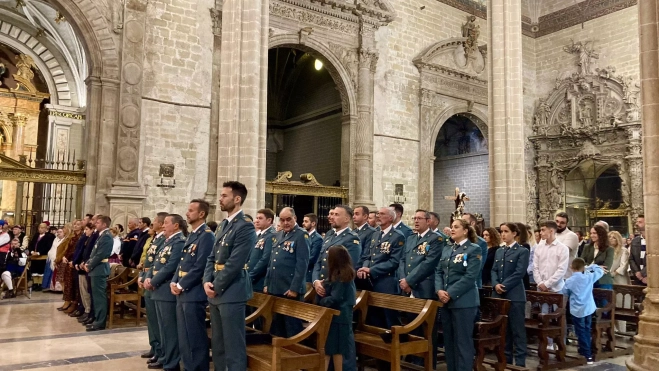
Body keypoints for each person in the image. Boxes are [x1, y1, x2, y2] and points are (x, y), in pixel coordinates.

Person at [203, 181, 256, 371]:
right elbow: (211, 257)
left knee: (233, 343)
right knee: (218, 342)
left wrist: (215, 286)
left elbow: (235, 264)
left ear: (237, 199)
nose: (220, 199)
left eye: (224, 195)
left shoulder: (245, 227)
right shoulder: (222, 225)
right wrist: (206, 281)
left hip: (232, 291)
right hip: (215, 289)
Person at [170, 201, 214, 371]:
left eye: (190, 211)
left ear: (201, 214)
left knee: (194, 335)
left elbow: (200, 266)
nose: (187, 214)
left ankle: (198, 367)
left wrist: (181, 285)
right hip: (183, 291)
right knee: (184, 335)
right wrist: (175, 281)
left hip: (194, 292)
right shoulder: (192, 235)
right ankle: (188, 366)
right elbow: (183, 263)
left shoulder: (207, 235)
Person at [398, 209, 446, 367]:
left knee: (426, 330)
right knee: (412, 328)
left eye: (419, 218)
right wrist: (403, 279)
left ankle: (427, 364)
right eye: (414, 218)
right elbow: (403, 260)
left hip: (424, 287)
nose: (416, 221)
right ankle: (414, 362)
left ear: (428, 221)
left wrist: (409, 281)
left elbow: (429, 263)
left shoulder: (436, 239)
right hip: (408, 287)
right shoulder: (411, 238)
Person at [435, 218, 481, 371]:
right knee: (449, 341)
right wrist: (439, 290)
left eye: (456, 227)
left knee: (462, 342)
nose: (452, 229)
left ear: (466, 230)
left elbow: (470, 277)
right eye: (452, 227)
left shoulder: (473, 249)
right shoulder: (448, 248)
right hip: (446, 301)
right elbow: (439, 271)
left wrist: (450, 293)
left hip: (464, 302)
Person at [144, 214, 186, 371]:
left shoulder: (179, 242)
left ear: (175, 226)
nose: (163, 225)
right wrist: (148, 278)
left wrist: (153, 281)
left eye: (166, 223)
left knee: (169, 329)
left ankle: (171, 362)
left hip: (166, 289)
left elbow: (171, 266)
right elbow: (155, 263)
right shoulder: (167, 241)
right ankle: (164, 357)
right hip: (158, 288)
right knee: (162, 328)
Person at [264, 207, 310, 337]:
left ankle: (294, 355)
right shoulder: (278, 235)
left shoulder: (301, 235)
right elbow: (272, 262)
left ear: (295, 218)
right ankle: (279, 355)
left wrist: (294, 288)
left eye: (288, 219)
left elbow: (302, 264)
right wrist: (267, 283)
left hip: (290, 289)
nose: (285, 223)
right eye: (282, 220)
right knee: (277, 328)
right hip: (276, 287)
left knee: (292, 328)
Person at [357, 207, 405, 328]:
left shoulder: (397, 236)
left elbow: (394, 261)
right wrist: (364, 267)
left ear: (390, 218)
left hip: (386, 281)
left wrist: (372, 270)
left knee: (389, 318)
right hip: (371, 281)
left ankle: (394, 343)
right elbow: (368, 255)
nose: (378, 216)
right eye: (377, 213)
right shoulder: (375, 233)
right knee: (373, 318)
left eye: (381, 214)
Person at [492, 223, 529, 367]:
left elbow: (519, 272)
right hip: (500, 295)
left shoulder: (521, 251)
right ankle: (506, 360)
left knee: (517, 330)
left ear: (514, 233)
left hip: (515, 295)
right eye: (501, 232)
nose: (503, 234)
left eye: (506, 231)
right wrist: (496, 284)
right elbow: (494, 270)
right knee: (504, 330)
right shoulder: (500, 251)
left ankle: (520, 362)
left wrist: (504, 285)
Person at [318, 245, 357, 371]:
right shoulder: (342, 273)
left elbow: (336, 298)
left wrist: (322, 301)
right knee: (334, 349)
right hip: (340, 317)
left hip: (339, 318)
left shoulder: (342, 276)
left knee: (333, 349)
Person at [533, 220, 570, 350]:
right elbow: (535, 266)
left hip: (557, 288)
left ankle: (561, 344)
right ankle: (548, 343)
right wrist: (540, 283)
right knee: (545, 315)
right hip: (542, 288)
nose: (541, 233)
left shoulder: (562, 248)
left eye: (543, 230)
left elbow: (561, 270)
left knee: (558, 317)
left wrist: (548, 283)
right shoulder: (539, 247)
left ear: (551, 231)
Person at [561, 259, 605, 365]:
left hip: (577, 309)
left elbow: (565, 292)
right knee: (587, 329)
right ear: (583, 268)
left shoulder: (569, 280)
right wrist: (592, 266)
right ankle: (585, 350)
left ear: (571, 267)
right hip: (588, 307)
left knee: (580, 331)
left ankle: (587, 354)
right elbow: (600, 271)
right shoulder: (588, 277)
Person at [140, 213, 167, 367]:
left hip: (155, 282)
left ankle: (160, 349)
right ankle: (154, 346)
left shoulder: (164, 239)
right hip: (148, 279)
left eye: (155, 221)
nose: (153, 223)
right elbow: (148, 260)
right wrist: (142, 276)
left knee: (158, 321)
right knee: (151, 318)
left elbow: (159, 263)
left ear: (162, 224)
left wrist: (148, 278)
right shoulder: (156, 238)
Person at [84, 215, 113, 331]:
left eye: (98, 222)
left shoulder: (106, 237)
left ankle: (100, 322)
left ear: (104, 225)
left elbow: (101, 254)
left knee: (99, 297)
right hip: (96, 268)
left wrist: (90, 265)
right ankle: (97, 319)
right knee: (96, 297)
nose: (95, 224)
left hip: (99, 269)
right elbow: (94, 253)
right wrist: (88, 262)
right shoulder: (101, 236)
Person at [248, 208, 276, 293]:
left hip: (259, 279)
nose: (256, 221)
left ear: (269, 220)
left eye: (260, 218)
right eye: (256, 218)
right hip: (252, 278)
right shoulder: (260, 235)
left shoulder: (271, 235)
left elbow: (265, 259)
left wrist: (251, 275)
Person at [608, 230, 630, 332]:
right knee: (611, 306)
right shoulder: (607, 250)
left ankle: (622, 331)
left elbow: (623, 266)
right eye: (610, 237)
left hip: (619, 280)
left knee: (620, 304)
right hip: (609, 280)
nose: (611, 239)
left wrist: (613, 273)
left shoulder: (623, 250)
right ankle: (613, 330)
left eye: (614, 237)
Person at [580, 225, 614, 290]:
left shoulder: (609, 249)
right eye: (591, 233)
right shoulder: (587, 247)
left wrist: (588, 267)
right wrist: (595, 267)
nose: (592, 235)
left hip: (603, 281)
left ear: (601, 234)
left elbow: (606, 268)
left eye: (594, 233)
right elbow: (581, 263)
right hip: (588, 279)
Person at [72, 223, 93, 322]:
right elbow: (80, 250)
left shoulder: (93, 238)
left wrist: (84, 263)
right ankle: (85, 309)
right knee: (82, 290)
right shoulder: (86, 238)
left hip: (86, 267)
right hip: (81, 266)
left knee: (86, 290)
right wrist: (77, 262)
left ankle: (88, 310)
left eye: (87, 229)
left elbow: (89, 253)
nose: (85, 231)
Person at [462, 213, 488, 288]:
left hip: (473, 284)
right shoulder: (457, 241)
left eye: (464, 221)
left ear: (472, 223)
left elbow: (479, 266)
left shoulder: (481, 242)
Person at [28, 223, 56, 288]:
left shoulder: (49, 236)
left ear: (46, 229)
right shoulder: (36, 235)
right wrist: (32, 251)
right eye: (39, 227)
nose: (40, 229)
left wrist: (39, 252)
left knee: (41, 270)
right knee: (34, 270)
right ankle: (35, 283)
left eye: (42, 228)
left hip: (42, 256)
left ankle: (40, 284)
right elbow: (31, 244)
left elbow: (48, 246)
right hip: (34, 256)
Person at [555, 212, 579, 278]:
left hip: (566, 275)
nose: (558, 224)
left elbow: (562, 253)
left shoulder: (571, 235)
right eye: (557, 221)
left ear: (566, 224)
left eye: (562, 223)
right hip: (551, 274)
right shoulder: (552, 234)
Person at [303, 213, 323, 283]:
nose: (303, 223)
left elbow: (312, 258)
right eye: (303, 221)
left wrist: (299, 264)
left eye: (306, 221)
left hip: (308, 273)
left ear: (313, 223)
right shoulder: (303, 236)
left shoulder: (317, 238)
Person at [43, 227, 65, 291]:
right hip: (51, 257)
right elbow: (53, 248)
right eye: (58, 232)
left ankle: (59, 288)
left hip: (59, 258)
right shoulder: (55, 239)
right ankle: (51, 287)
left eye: (60, 232)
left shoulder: (64, 240)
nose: (58, 233)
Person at [629, 215, 647, 285]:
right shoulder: (635, 241)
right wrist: (637, 272)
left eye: (640, 222)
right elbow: (631, 259)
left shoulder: (655, 240)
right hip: (638, 277)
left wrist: (643, 273)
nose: (637, 224)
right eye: (637, 222)